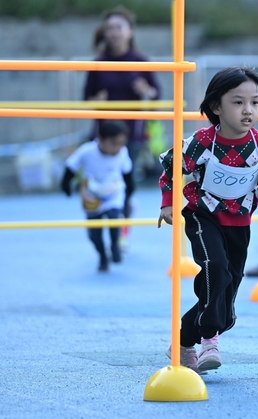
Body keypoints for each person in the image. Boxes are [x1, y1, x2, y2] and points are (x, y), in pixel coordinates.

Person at [157, 67, 258, 374]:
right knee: (216, 270)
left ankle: (183, 340)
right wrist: (168, 204)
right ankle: (209, 339)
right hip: (202, 217)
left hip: (239, 225)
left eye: (255, 102)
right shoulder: (200, 143)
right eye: (237, 102)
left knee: (228, 310)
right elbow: (171, 168)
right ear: (216, 107)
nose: (248, 110)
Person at [84, 6, 161, 246]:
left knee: (126, 185)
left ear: (130, 31)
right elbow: (85, 99)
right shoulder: (98, 63)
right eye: (109, 28)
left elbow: (157, 96)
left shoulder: (140, 61)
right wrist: (96, 101)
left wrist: (146, 92)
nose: (114, 32)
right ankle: (101, 226)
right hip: (103, 134)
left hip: (131, 134)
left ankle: (121, 232)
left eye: (119, 27)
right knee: (99, 184)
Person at [61, 120, 134, 272]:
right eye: (114, 143)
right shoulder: (87, 151)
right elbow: (71, 166)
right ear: (101, 140)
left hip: (114, 193)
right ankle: (102, 256)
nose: (118, 148)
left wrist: (129, 194)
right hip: (92, 196)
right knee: (94, 234)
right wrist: (66, 185)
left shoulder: (122, 152)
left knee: (114, 217)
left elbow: (127, 174)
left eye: (121, 143)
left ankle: (115, 245)